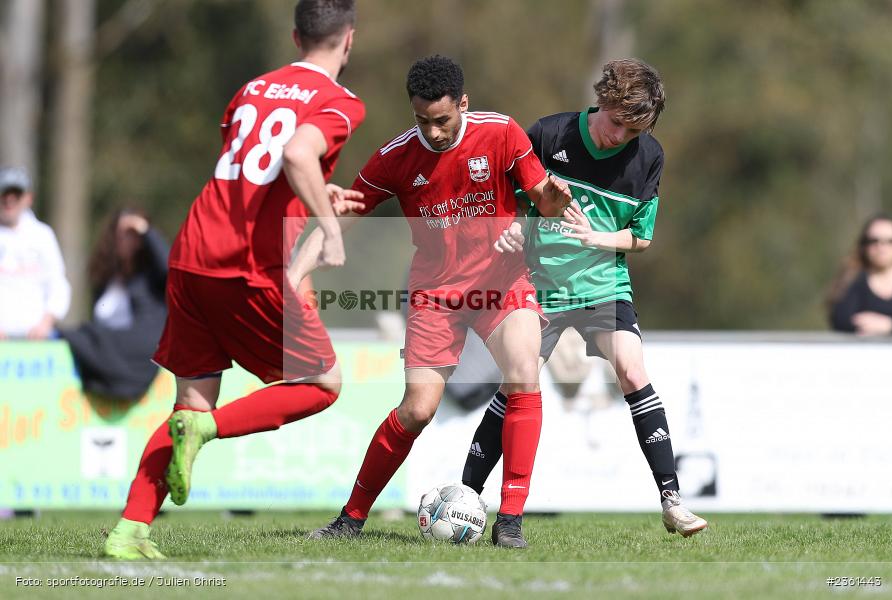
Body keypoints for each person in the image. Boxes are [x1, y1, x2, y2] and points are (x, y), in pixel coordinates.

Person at [103, 0, 365, 560]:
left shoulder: (252, 89)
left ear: (296, 37)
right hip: (243, 264)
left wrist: (317, 192)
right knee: (323, 384)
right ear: (348, 41)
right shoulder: (340, 102)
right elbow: (296, 152)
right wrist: (328, 225)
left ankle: (130, 531)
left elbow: (253, 171)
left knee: (190, 405)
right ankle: (207, 432)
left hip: (192, 250)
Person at [300, 55, 572, 548]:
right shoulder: (395, 158)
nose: (434, 131)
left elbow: (545, 203)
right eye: (422, 120)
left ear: (463, 104)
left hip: (503, 284)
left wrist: (554, 195)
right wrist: (300, 263)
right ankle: (351, 519)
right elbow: (348, 214)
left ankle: (509, 520)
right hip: (435, 294)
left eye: (443, 120)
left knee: (523, 374)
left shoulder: (502, 133)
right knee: (418, 410)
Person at [460, 59, 708, 537]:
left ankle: (673, 502)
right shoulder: (550, 136)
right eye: (617, 122)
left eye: (634, 130)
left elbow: (641, 238)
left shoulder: (649, 156)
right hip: (540, 285)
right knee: (519, 383)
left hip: (602, 285)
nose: (621, 136)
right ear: (604, 101)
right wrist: (512, 227)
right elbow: (506, 197)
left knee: (633, 370)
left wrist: (598, 239)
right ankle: (469, 494)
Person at [60, 208, 169, 399]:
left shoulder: (152, 278)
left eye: (134, 235)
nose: (128, 240)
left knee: (77, 336)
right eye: (123, 234)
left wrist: (145, 230)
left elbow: (170, 268)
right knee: (76, 336)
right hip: (107, 352)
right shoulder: (106, 279)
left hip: (136, 355)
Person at [0, 167, 71, 340]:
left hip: (37, 342)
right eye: (4, 193)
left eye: (16, 194)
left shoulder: (42, 235)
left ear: (28, 198)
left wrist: (46, 323)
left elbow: (58, 285)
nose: (9, 200)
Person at [828, 213, 892, 335]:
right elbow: (840, 320)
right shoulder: (852, 279)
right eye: (874, 241)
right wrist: (865, 326)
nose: (881, 247)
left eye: (890, 241)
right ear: (864, 245)